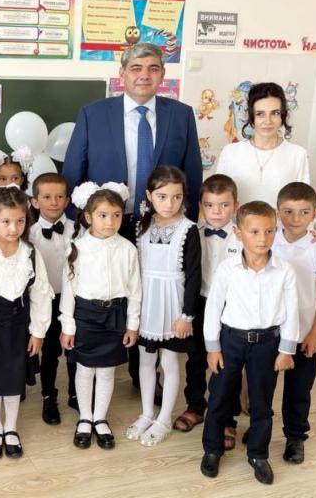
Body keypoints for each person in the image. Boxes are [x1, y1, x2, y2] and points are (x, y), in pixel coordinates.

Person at [62, 42, 201, 393]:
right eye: (136, 68)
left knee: (147, 296)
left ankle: (144, 378)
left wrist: (189, 226)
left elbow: (193, 175)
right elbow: (73, 172)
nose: (144, 75)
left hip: (160, 227)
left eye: (153, 68)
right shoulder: (93, 114)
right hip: (106, 225)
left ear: (163, 74)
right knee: (95, 298)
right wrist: (81, 226)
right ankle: (83, 382)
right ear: (122, 73)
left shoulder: (181, 115)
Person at [200, 201, 299, 485]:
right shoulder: (227, 269)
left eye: (269, 231)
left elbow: (292, 311)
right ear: (238, 233)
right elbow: (213, 308)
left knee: (262, 402)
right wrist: (212, 347)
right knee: (219, 397)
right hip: (230, 341)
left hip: (267, 343)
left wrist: (286, 349)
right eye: (254, 232)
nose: (262, 238)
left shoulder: (285, 271)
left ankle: (258, 454)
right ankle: (212, 449)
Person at [0, 187, 53, 460]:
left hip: (19, 329)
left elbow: (41, 294)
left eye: (20, 221)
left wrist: (38, 332)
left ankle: (11, 428)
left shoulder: (30, 253)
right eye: (6, 221)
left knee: (14, 380)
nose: (13, 228)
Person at [59, 182, 141, 450]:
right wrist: (67, 325)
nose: (110, 222)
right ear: (88, 216)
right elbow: (69, 290)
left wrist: (132, 324)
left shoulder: (128, 249)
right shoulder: (77, 247)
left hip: (115, 314)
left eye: (116, 215)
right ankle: (85, 417)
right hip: (85, 315)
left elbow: (135, 290)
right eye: (103, 215)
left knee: (106, 371)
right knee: (84, 369)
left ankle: (100, 418)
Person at [127, 165, 201, 447]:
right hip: (146, 302)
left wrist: (186, 315)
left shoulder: (188, 230)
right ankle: (147, 412)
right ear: (149, 196)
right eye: (162, 197)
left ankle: (164, 417)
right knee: (146, 361)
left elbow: (194, 276)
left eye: (176, 197)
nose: (169, 204)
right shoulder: (140, 227)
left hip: (173, 305)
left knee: (169, 362)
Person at [173, 174, 242, 451]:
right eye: (210, 205)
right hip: (200, 304)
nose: (217, 212)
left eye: (224, 205)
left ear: (235, 206)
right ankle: (195, 406)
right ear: (201, 206)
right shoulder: (192, 233)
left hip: (231, 308)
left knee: (227, 364)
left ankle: (227, 418)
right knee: (196, 359)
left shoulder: (244, 236)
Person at [274, 182, 316, 464]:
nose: (295, 219)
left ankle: (295, 437)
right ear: (278, 211)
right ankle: (260, 427)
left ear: (314, 214)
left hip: (303, 333)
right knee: (263, 385)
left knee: (299, 389)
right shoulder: (269, 239)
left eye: (304, 212)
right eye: (288, 211)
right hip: (272, 331)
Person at [29, 172, 77, 424]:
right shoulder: (29, 233)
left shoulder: (79, 229)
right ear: (35, 201)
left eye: (59, 197)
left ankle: (75, 393)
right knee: (48, 351)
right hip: (44, 301)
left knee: (74, 349)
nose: (54, 202)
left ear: (67, 200)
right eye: (46, 197)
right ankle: (49, 395)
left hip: (73, 300)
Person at [215, 82, 309, 206]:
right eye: (260, 114)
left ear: (283, 115)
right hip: (238, 220)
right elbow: (216, 199)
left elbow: (304, 203)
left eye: (275, 113)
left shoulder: (298, 154)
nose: (268, 121)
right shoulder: (230, 152)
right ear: (250, 116)